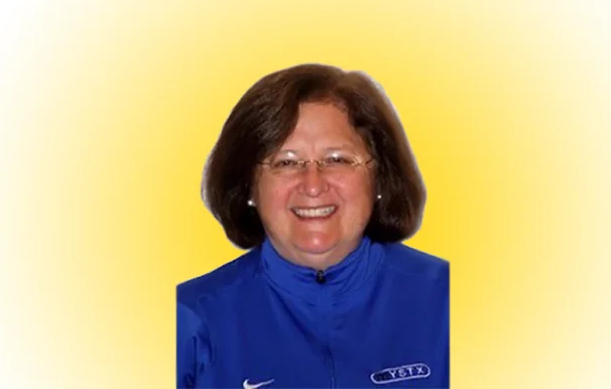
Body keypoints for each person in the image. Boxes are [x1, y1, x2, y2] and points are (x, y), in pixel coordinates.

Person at [176, 63, 449, 388]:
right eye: (286, 162)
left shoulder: (447, 301)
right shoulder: (189, 320)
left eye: (337, 159)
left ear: (379, 177)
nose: (313, 185)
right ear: (249, 187)